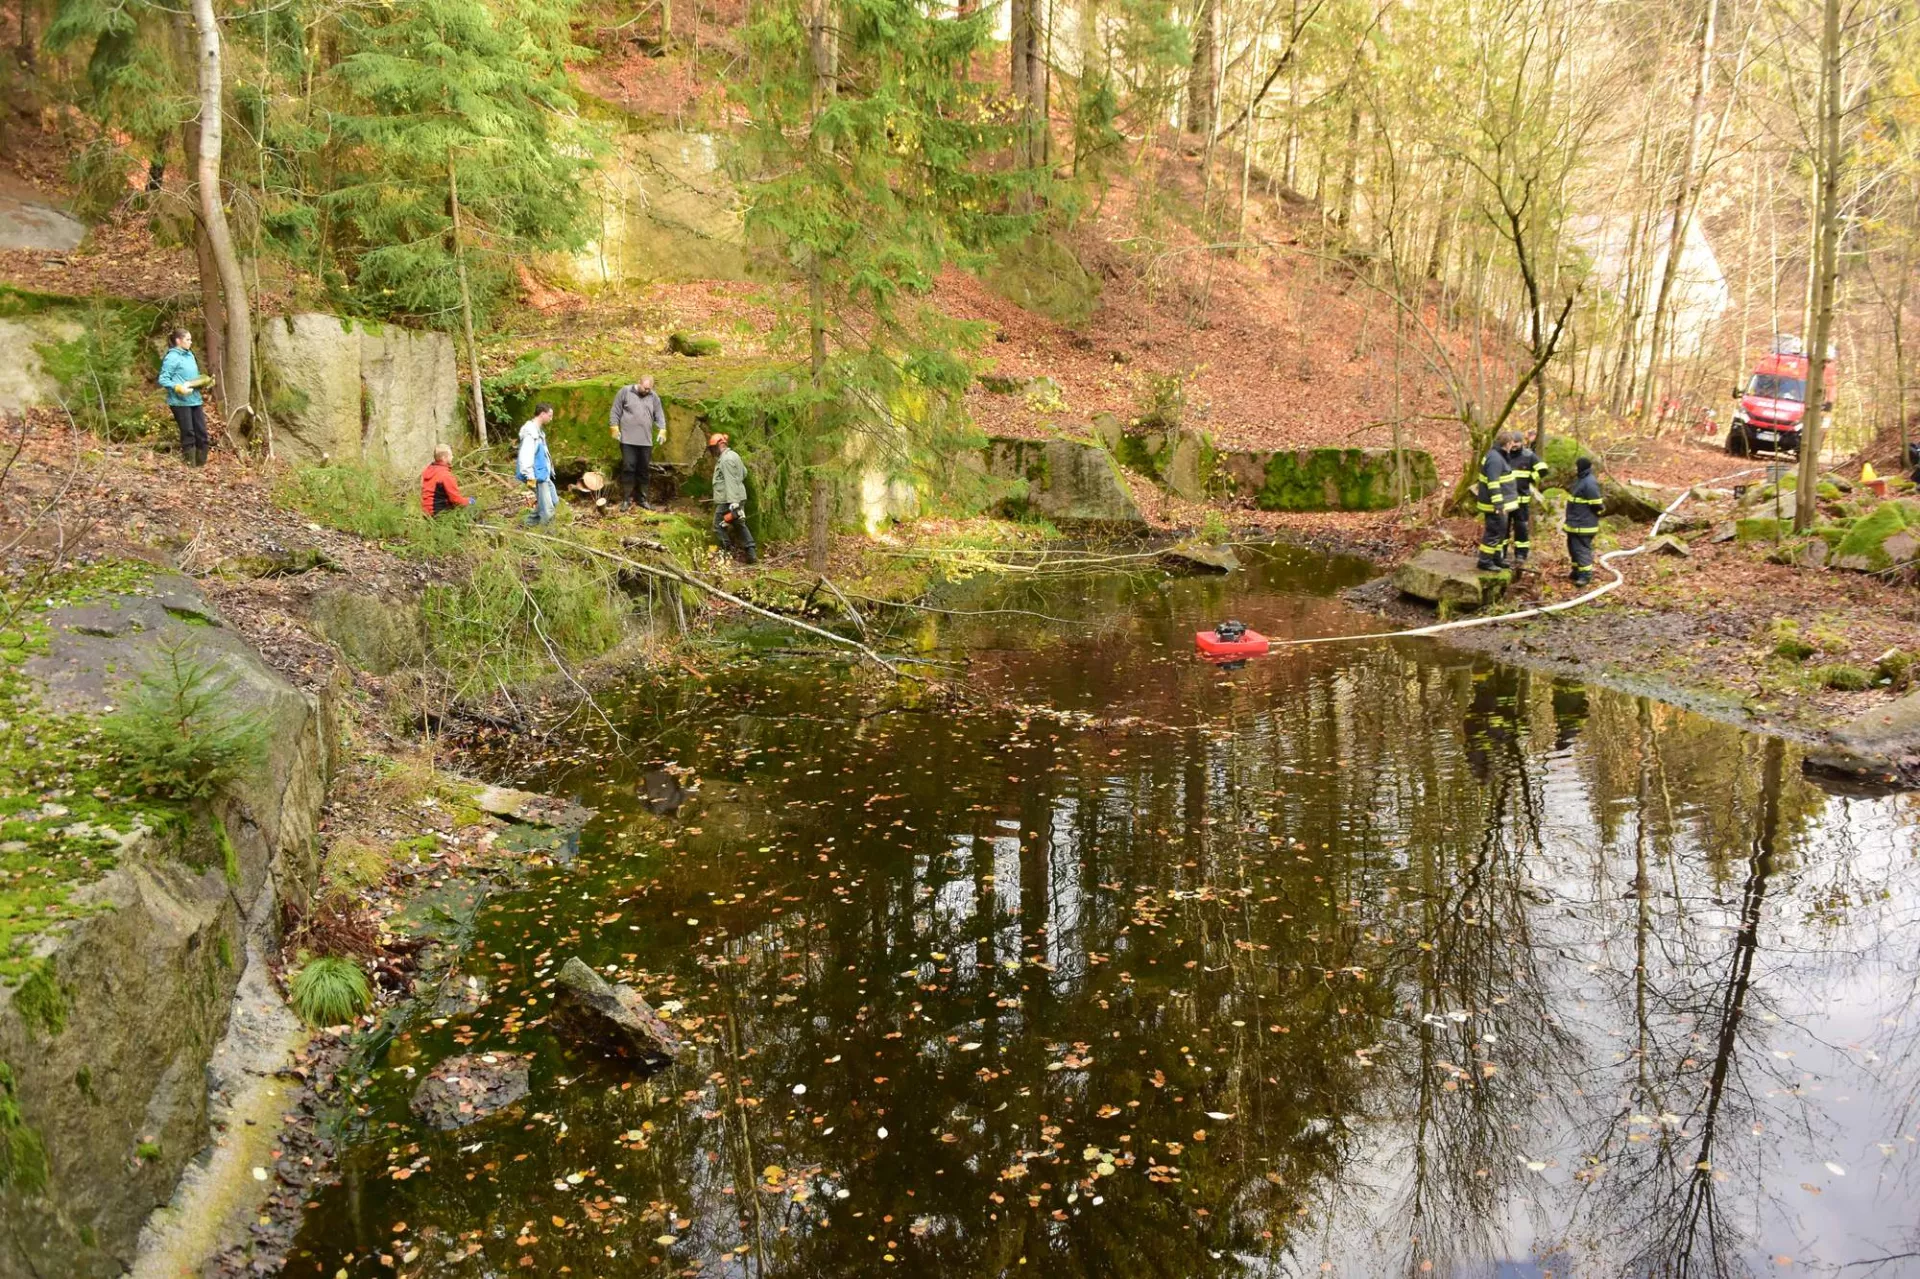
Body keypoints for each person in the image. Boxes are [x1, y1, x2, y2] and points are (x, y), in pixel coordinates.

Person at [609, 376, 667, 510]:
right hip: (628, 440)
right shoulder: (625, 391)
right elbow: (615, 410)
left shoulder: (653, 396)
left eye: (649, 389)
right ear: (639, 383)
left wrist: (662, 429)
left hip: (645, 441)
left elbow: (659, 414)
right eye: (645, 388)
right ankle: (626, 499)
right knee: (628, 467)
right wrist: (614, 427)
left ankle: (642, 499)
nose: (647, 391)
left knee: (644, 470)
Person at [158, 328, 213, 467]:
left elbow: (192, 378)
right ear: (178, 341)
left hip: (195, 399)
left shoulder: (190, 355)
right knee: (188, 433)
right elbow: (163, 379)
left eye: (191, 339)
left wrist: (204, 382)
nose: (191, 342)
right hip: (179, 402)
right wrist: (177, 387)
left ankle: (201, 465)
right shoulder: (172, 357)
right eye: (188, 339)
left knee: (202, 433)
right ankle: (191, 467)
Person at [707, 432, 757, 564]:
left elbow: (730, 480)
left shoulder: (726, 460)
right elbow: (744, 473)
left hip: (729, 500)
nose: (713, 451)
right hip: (738, 497)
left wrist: (733, 502)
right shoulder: (734, 455)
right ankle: (751, 552)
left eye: (713, 448)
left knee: (718, 525)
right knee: (739, 524)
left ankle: (727, 552)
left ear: (719, 445)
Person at [1475, 429, 1521, 571]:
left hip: (1500, 504)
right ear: (1506, 444)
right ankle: (1485, 561)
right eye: (1511, 445)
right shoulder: (1495, 459)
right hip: (1495, 505)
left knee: (1500, 532)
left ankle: (1496, 558)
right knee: (1494, 532)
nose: (1512, 448)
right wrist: (1498, 504)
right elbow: (1493, 483)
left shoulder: (1496, 455)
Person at [1504, 433, 1545, 569]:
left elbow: (1543, 469)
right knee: (1503, 528)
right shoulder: (1504, 454)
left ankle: (1521, 555)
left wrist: (1531, 478)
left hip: (1521, 501)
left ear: (1522, 443)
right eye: (1512, 442)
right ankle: (1501, 554)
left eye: (1517, 442)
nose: (1514, 445)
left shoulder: (1529, 456)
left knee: (1521, 528)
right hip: (1505, 500)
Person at [1564, 455, 1603, 587]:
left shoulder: (1589, 482)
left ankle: (1585, 575)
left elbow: (1597, 504)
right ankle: (1577, 571)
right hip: (1574, 523)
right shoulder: (1580, 480)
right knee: (1573, 548)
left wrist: (1597, 513)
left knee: (1581, 550)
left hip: (1584, 524)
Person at [518, 403, 557, 526]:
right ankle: (548, 533)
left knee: (553, 500)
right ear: (542, 414)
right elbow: (526, 455)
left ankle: (527, 523)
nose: (551, 418)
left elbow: (543, 454)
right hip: (536, 476)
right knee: (548, 509)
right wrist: (530, 476)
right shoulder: (531, 434)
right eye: (550, 416)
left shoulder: (539, 432)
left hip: (544, 474)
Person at [420, 444, 477, 517]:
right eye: (451, 455)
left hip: (426, 513)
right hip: (439, 514)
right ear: (444, 458)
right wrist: (469, 501)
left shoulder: (428, 470)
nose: (452, 457)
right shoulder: (445, 476)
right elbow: (456, 500)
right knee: (473, 507)